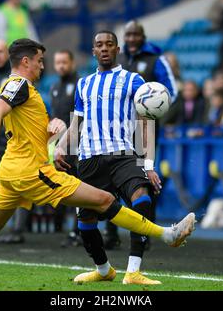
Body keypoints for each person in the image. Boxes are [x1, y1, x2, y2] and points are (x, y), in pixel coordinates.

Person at [0, 38, 196, 286]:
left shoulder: (25, 90)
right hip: (33, 173)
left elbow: (28, 132)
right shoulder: (18, 84)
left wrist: (50, 128)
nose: (42, 66)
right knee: (105, 199)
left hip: (12, 173)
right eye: (39, 60)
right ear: (25, 61)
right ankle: (166, 234)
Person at [54, 31, 168, 285]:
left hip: (123, 154)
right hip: (90, 158)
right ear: (93, 51)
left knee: (142, 198)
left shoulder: (134, 81)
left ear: (117, 50)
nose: (104, 48)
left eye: (109, 44)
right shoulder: (84, 85)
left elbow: (144, 124)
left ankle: (134, 271)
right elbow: (75, 126)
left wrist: (147, 165)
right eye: (98, 45)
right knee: (86, 222)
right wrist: (60, 148)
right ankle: (103, 270)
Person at [109, 20, 178, 249]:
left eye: (135, 34)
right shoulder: (118, 60)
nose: (131, 39)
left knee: (144, 174)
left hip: (143, 128)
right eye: (127, 35)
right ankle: (112, 233)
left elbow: (171, 92)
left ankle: (145, 232)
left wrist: (153, 109)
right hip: (118, 128)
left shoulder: (155, 61)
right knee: (112, 175)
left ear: (143, 36)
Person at [0, 39, 27, 245]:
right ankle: (9, 227)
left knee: (18, 184)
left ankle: (18, 228)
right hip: (1, 144)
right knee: (7, 185)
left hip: (17, 142)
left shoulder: (16, 79)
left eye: (1, 52)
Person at [49, 49, 80, 243]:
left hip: (76, 145)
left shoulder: (79, 85)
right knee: (62, 186)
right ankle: (61, 226)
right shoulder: (53, 87)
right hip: (59, 145)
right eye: (58, 62)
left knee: (78, 188)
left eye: (64, 62)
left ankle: (78, 230)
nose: (61, 66)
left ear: (72, 63)